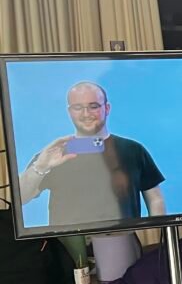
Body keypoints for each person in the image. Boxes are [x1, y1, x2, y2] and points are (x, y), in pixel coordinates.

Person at [19, 81, 166, 226]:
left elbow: (155, 199)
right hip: (68, 240)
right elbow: (20, 197)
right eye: (78, 107)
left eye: (93, 106)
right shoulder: (53, 155)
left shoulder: (133, 150)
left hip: (123, 237)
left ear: (107, 108)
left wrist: (157, 231)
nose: (86, 114)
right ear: (69, 112)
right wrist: (41, 167)